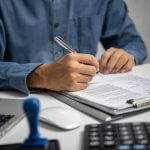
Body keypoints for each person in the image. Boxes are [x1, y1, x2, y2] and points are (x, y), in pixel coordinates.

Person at [0, 0, 147, 95]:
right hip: (20, 102)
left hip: (88, 99)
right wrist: (39, 75)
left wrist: (127, 54)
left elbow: (133, 42)